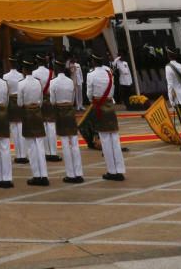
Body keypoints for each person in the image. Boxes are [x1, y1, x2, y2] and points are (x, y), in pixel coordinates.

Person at [86, 51, 125, 181]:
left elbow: (89, 95)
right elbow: (112, 91)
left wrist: (95, 101)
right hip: (110, 105)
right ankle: (119, 170)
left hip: (99, 107)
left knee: (105, 141)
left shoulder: (91, 75)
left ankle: (111, 171)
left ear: (93, 62)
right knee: (115, 140)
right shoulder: (109, 73)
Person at [49, 58, 83, 184]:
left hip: (60, 112)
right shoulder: (70, 82)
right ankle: (78, 173)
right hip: (70, 111)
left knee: (65, 144)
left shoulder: (53, 82)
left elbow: (52, 101)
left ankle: (70, 174)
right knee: (74, 143)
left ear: (57, 69)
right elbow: (73, 99)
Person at [18, 56, 49, 186]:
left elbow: (19, 103)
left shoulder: (21, 83)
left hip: (28, 114)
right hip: (37, 112)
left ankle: (37, 175)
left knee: (31, 146)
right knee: (40, 145)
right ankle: (44, 175)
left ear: (25, 70)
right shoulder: (38, 82)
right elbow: (41, 101)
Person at [3, 54, 26, 165]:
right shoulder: (21, 75)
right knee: (21, 128)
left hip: (11, 102)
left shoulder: (5, 76)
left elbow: (5, 93)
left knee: (14, 129)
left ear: (10, 63)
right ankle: (23, 154)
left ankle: (18, 154)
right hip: (19, 101)